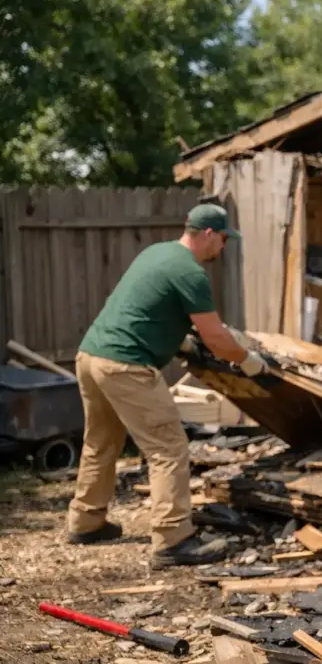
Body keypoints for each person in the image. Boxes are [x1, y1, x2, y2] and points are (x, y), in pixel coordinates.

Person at [67, 201, 269, 570]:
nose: (223, 248)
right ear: (208, 234)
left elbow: (145, 309)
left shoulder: (157, 253)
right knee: (169, 448)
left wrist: (180, 341)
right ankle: (173, 540)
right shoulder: (191, 273)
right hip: (126, 366)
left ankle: (86, 522)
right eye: (223, 239)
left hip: (91, 356)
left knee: (100, 443)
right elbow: (218, 339)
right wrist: (248, 361)